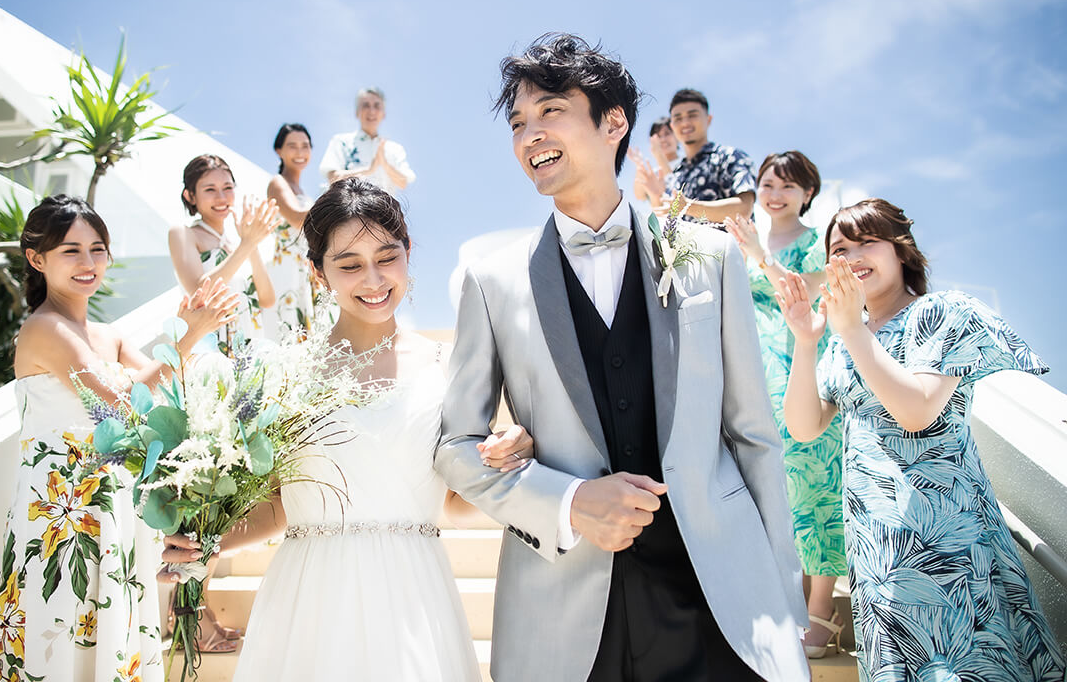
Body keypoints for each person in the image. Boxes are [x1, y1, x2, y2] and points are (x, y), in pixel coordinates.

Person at [435, 34, 809, 681]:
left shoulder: (710, 257)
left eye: (551, 111)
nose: (529, 135)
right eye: (518, 123)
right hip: (568, 610)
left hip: (716, 596)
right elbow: (455, 447)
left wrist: (781, 593)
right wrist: (569, 501)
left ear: (613, 123)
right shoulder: (491, 281)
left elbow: (754, 437)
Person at [161, 178, 532, 682]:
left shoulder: (448, 367)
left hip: (413, 594)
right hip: (310, 596)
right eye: (350, 265)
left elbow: (455, 504)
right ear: (319, 273)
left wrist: (505, 464)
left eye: (387, 257)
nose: (374, 279)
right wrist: (206, 541)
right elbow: (278, 506)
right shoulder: (285, 372)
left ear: (407, 253)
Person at [779, 198, 1066, 681]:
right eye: (839, 249)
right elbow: (805, 427)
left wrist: (850, 331)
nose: (852, 257)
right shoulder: (844, 339)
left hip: (947, 534)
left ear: (901, 249)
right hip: (877, 541)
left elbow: (916, 412)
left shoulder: (942, 311)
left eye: (867, 241)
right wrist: (807, 343)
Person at [0, 195, 237, 682]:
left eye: (97, 249)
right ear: (37, 259)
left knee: (111, 642)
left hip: (114, 507)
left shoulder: (109, 335)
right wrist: (187, 336)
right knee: (60, 634)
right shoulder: (43, 329)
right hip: (63, 513)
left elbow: (163, 397)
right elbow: (120, 406)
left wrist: (191, 333)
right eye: (71, 251)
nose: (89, 262)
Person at [723, 151, 846, 659]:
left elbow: (805, 295)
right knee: (765, 487)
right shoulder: (741, 241)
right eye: (769, 184)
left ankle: (820, 608)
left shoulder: (818, 243)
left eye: (789, 186)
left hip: (800, 367)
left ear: (808, 194)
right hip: (750, 369)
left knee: (813, 482)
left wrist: (758, 254)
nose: (776, 194)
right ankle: (778, 599)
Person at [167, 154, 278, 345]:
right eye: (210, 189)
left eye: (227, 188)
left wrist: (251, 243)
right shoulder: (183, 233)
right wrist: (247, 243)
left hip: (248, 345)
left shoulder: (239, 239)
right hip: (211, 347)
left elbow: (267, 299)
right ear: (190, 196)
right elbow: (198, 292)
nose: (221, 197)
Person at [666, 88, 755, 223]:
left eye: (692, 115)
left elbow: (744, 210)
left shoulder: (730, 157)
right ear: (672, 126)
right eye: (678, 118)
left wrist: (688, 206)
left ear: (708, 119)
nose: (685, 123)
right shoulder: (676, 174)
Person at [264, 123, 319, 336]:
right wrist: (334, 201)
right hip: (287, 266)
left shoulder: (303, 192)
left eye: (305, 146)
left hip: (306, 266)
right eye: (292, 146)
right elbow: (297, 219)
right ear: (279, 150)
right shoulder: (277, 183)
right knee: (288, 330)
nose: (300, 152)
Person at [318, 87, 416, 196]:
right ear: (357, 112)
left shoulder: (394, 148)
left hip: (383, 206)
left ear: (384, 114)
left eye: (377, 106)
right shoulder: (341, 141)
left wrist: (384, 163)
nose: (372, 111)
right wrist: (368, 170)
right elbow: (333, 178)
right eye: (366, 105)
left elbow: (403, 183)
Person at [629, 115, 679, 207]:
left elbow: (675, 184)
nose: (663, 139)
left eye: (667, 133)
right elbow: (640, 195)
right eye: (658, 136)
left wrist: (659, 155)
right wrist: (639, 165)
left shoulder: (687, 162)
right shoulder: (655, 172)